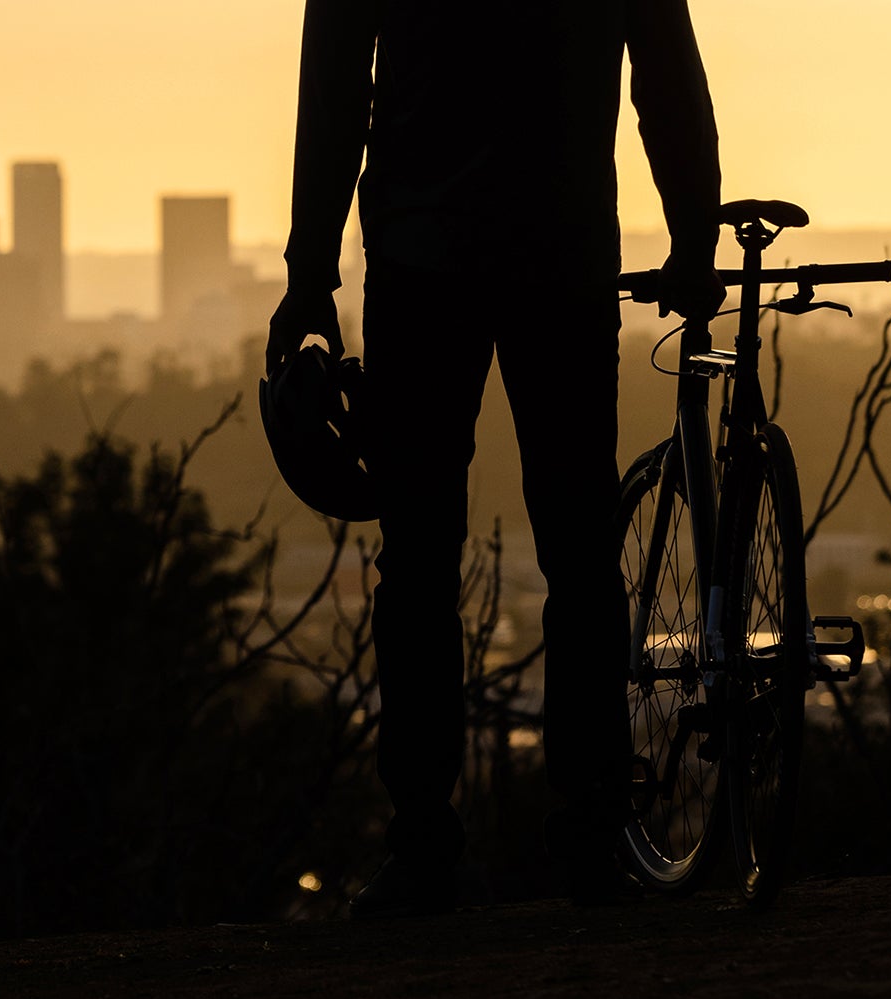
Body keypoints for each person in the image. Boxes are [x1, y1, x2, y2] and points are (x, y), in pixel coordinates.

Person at [264, 0, 726, 913]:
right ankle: (588, 835)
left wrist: (310, 273)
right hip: (562, 256)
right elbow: (664, 72)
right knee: (580, 553)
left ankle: (425, 846)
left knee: (421, 562)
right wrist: (692, 234)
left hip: (421, 259)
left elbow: (333, 93)